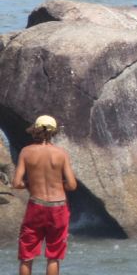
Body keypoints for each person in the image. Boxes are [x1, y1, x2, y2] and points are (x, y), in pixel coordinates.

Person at [12, 115, 77, 275]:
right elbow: (72, 185)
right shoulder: (61, 154)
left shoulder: (26, 152)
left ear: (35, 130)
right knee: (54, 256)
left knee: (26, 255)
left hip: (37, 205)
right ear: (53, 132)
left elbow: (16, 183)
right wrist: (58, 184)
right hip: (58, 207)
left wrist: (30, 184)